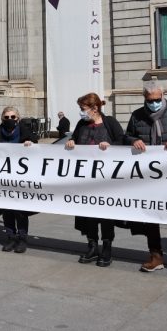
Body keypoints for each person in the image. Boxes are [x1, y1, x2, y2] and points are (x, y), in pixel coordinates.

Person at [123, 81, 167, 276]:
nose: (154, 103)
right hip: (148, 177)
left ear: (163, 96)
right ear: (144, 99)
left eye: (157, 99)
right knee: (151, 218)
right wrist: (133, 140)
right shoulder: (137, 115)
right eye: (150, 100)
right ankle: (155, 256)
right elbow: (127, 136)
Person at [66, 92, 125, 267]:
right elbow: (74, 139)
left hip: (106, 180)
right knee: (88, 214)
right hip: (85, 179)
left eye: (83, 109)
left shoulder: (110, 122)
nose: (81, 112)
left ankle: (107, 247)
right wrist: (71, 142)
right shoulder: (81, 124)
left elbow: (122, 141)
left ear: (95, 108)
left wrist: (111, 146)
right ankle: (92, 246)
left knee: (106, 214)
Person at [0, 106, 39, 253]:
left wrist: (30, 145)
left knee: (20, 211)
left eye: (13, 117)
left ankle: (22, 238)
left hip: (21, 178)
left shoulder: (26, 133)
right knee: (7, 210)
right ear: (2, 119)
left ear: (18, 118)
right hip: (5, 177)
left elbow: (37, 150)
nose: (10, 120)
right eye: (6, 117)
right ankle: (11, 237)